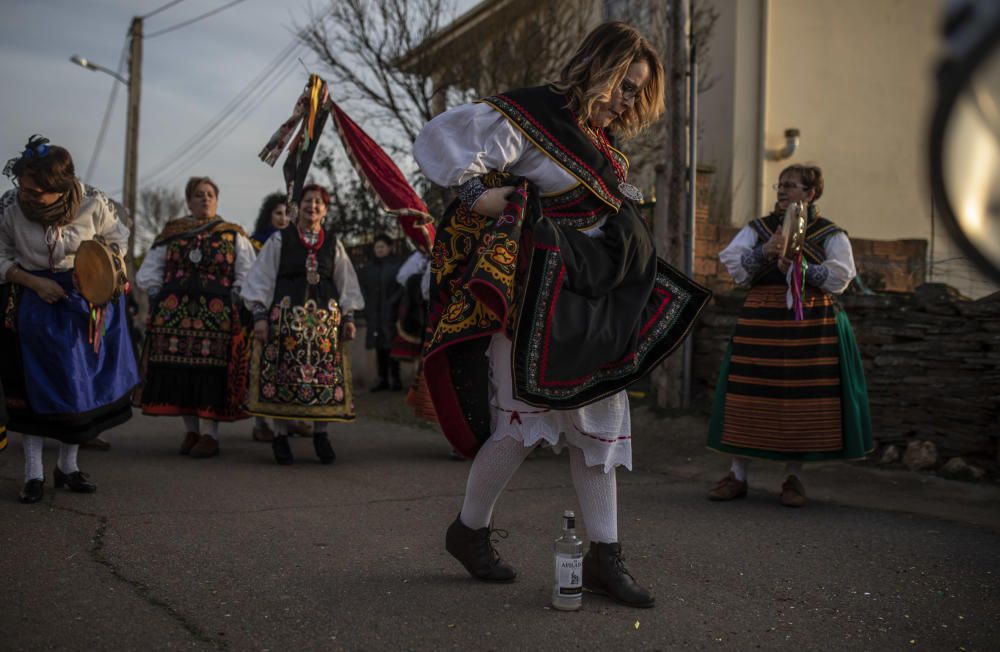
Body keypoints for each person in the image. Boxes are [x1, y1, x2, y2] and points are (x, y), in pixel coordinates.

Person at [414, 22, 709, 608]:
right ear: (598, 68)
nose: (628, 100)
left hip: (594, 301)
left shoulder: (607, 150)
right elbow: (444, 146)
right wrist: (487, 199)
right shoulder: (534, 116)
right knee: (522, 426)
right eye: (624, 85)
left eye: (637, 91)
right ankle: (468, 531)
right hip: (537, 297)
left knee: (599, 428)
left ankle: (605, 558)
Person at [707, 163, 873, 507]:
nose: (782, 191)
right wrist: (764, 253)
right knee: (748, 392)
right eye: (779, 186)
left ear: (810, 193)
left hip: (810, 323)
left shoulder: (830, 234)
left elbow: (840, 278)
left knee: (802, 397)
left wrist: (804, 270)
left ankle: (792, 478)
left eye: (791, 186)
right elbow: (734, 265)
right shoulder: (759, 229)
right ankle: (737, 475)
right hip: (762, 320)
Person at [0, 135, 139, 502]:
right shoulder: (11, 207)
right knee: (32, 390)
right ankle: (33, 474)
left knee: (78, 388)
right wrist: (31, 281)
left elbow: (117, 238)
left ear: (59, 189)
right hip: (32, 299)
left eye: (36, 191)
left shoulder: (92, 202)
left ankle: (68, 467)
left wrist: (97, 268)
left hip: (82, 301)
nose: (26, 195)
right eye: (24, 187)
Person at [242, 184, 365, 465]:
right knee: (283, 376)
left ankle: (321, 435)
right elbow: (261, 278)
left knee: (323, 378)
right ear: (298, 207)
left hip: (324, 325)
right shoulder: (280, 240)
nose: (313, 206)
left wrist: (349, 317)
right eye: (308, 201)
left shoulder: (333, 242)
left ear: (325, 210)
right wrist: (259, 315)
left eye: (319, 202)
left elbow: (346, 280)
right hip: (286, 321)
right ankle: (280, 435)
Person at [135, 176, 255, 458]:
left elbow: (248, 270)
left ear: (217, 200)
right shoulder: (173, 232)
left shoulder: (232, 234)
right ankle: (191, 430)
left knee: (210, 373)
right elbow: (150, 269)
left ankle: (210, 435)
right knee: (181, 372)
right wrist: (157, 294)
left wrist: (236, 295)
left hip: (217, 316)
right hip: (174, 314)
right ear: (189, 201)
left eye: (211, 194)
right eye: (199, 194)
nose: (206, 199)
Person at [246, 191, 311, 442]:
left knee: (291, 365)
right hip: (261, 308)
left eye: (287, 214)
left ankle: (291, 419)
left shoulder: (299, 242)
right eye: (278, 213)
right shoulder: (255, 244)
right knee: (263, 365)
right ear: (268, 215)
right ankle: (261, 422)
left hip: (291, 310)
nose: (284, 218)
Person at [360, 233, 402, 391]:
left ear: (389, 248)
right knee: (379, 346)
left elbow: (401, 287)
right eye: (377, 247)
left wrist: (393, 303)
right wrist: (366, 306)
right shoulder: (369, 267)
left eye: (382, 246)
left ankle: (395, 378)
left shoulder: (397, 265)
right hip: (374, 313)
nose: (379, 250)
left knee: (392, 345)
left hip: (391, 312)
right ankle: (382, 378)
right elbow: (362, 288)